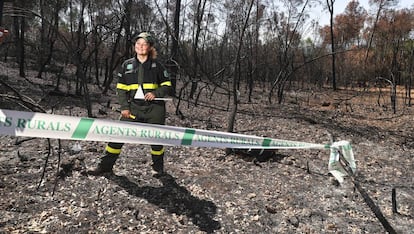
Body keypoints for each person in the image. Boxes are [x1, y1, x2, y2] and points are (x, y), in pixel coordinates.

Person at [88, 32, 173, 175]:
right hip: (133, 108)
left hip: (154, 109)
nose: (141, 46)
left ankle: (158, 168)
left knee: (157, 139)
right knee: (117, 135)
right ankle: (105, 166)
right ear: (135, 46)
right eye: (138, 44)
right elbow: (121, 89)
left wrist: (155, 93)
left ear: (150, 47)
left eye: (144, 44)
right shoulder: (127, 65)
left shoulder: (157, 66)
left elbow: (167, 85)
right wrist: (124, 107)